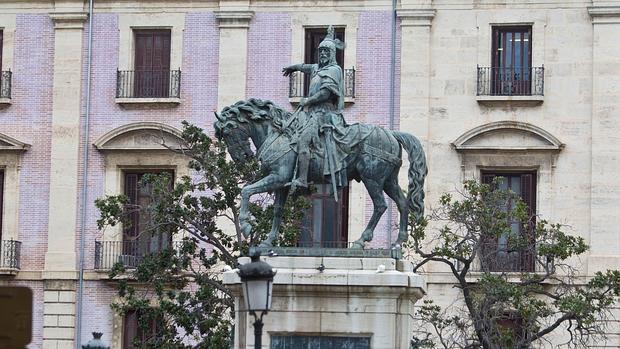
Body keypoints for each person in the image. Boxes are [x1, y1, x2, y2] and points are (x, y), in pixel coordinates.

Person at [282, 26, 347, 192]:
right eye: (321, 51)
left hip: (324, 113)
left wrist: (307, 101)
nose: (323, 54)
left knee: (303, 140)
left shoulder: (334, 70)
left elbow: (325, 93)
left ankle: (302, 180)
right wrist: (293, 67)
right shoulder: (317, 68)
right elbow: (306, 67)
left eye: (326, 52)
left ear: (332, 54)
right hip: (311, 113)